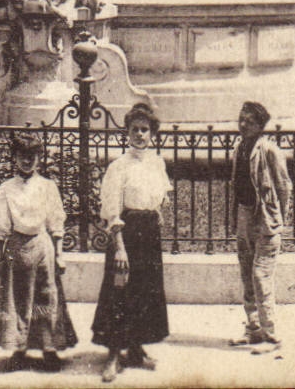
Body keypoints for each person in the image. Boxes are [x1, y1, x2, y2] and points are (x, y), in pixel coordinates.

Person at [92, 101, 171, 380]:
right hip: (126, 234)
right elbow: (112, 211)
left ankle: (136, 349)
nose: (140, 135)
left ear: (153, 134)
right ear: (127, 132)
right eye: (135, 130)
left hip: (149, 234)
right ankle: (113, 355)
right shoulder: (118, 167)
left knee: (145, 291)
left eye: (145, 130)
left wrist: (157, 211)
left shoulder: (157, 163)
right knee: (120, 291)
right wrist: (120, 248)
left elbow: (161, 195)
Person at [0, 129, 76, 372]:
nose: (27, 160)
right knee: (18, 299)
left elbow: (56, 223)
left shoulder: (48, 187)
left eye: (32, 155)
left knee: (47, 295)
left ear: (40, 157)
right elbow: (1, 226)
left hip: (42, 245)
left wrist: (59, 254)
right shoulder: (6, 189)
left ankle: (49, 349)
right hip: (16, 248)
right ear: (14, 157)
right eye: (22, 155)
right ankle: (19, 349)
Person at [230, 100, 292, 354]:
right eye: (241, 119)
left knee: (261, 276)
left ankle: (271, 336)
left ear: (260, 126)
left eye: (250, 121)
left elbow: (284, 187)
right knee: (247, 273)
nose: (243, 124)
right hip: (244, 216)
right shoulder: (239, 148)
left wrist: (279, 219)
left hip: (265, 220)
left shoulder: (269, 151)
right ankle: (253, 330)